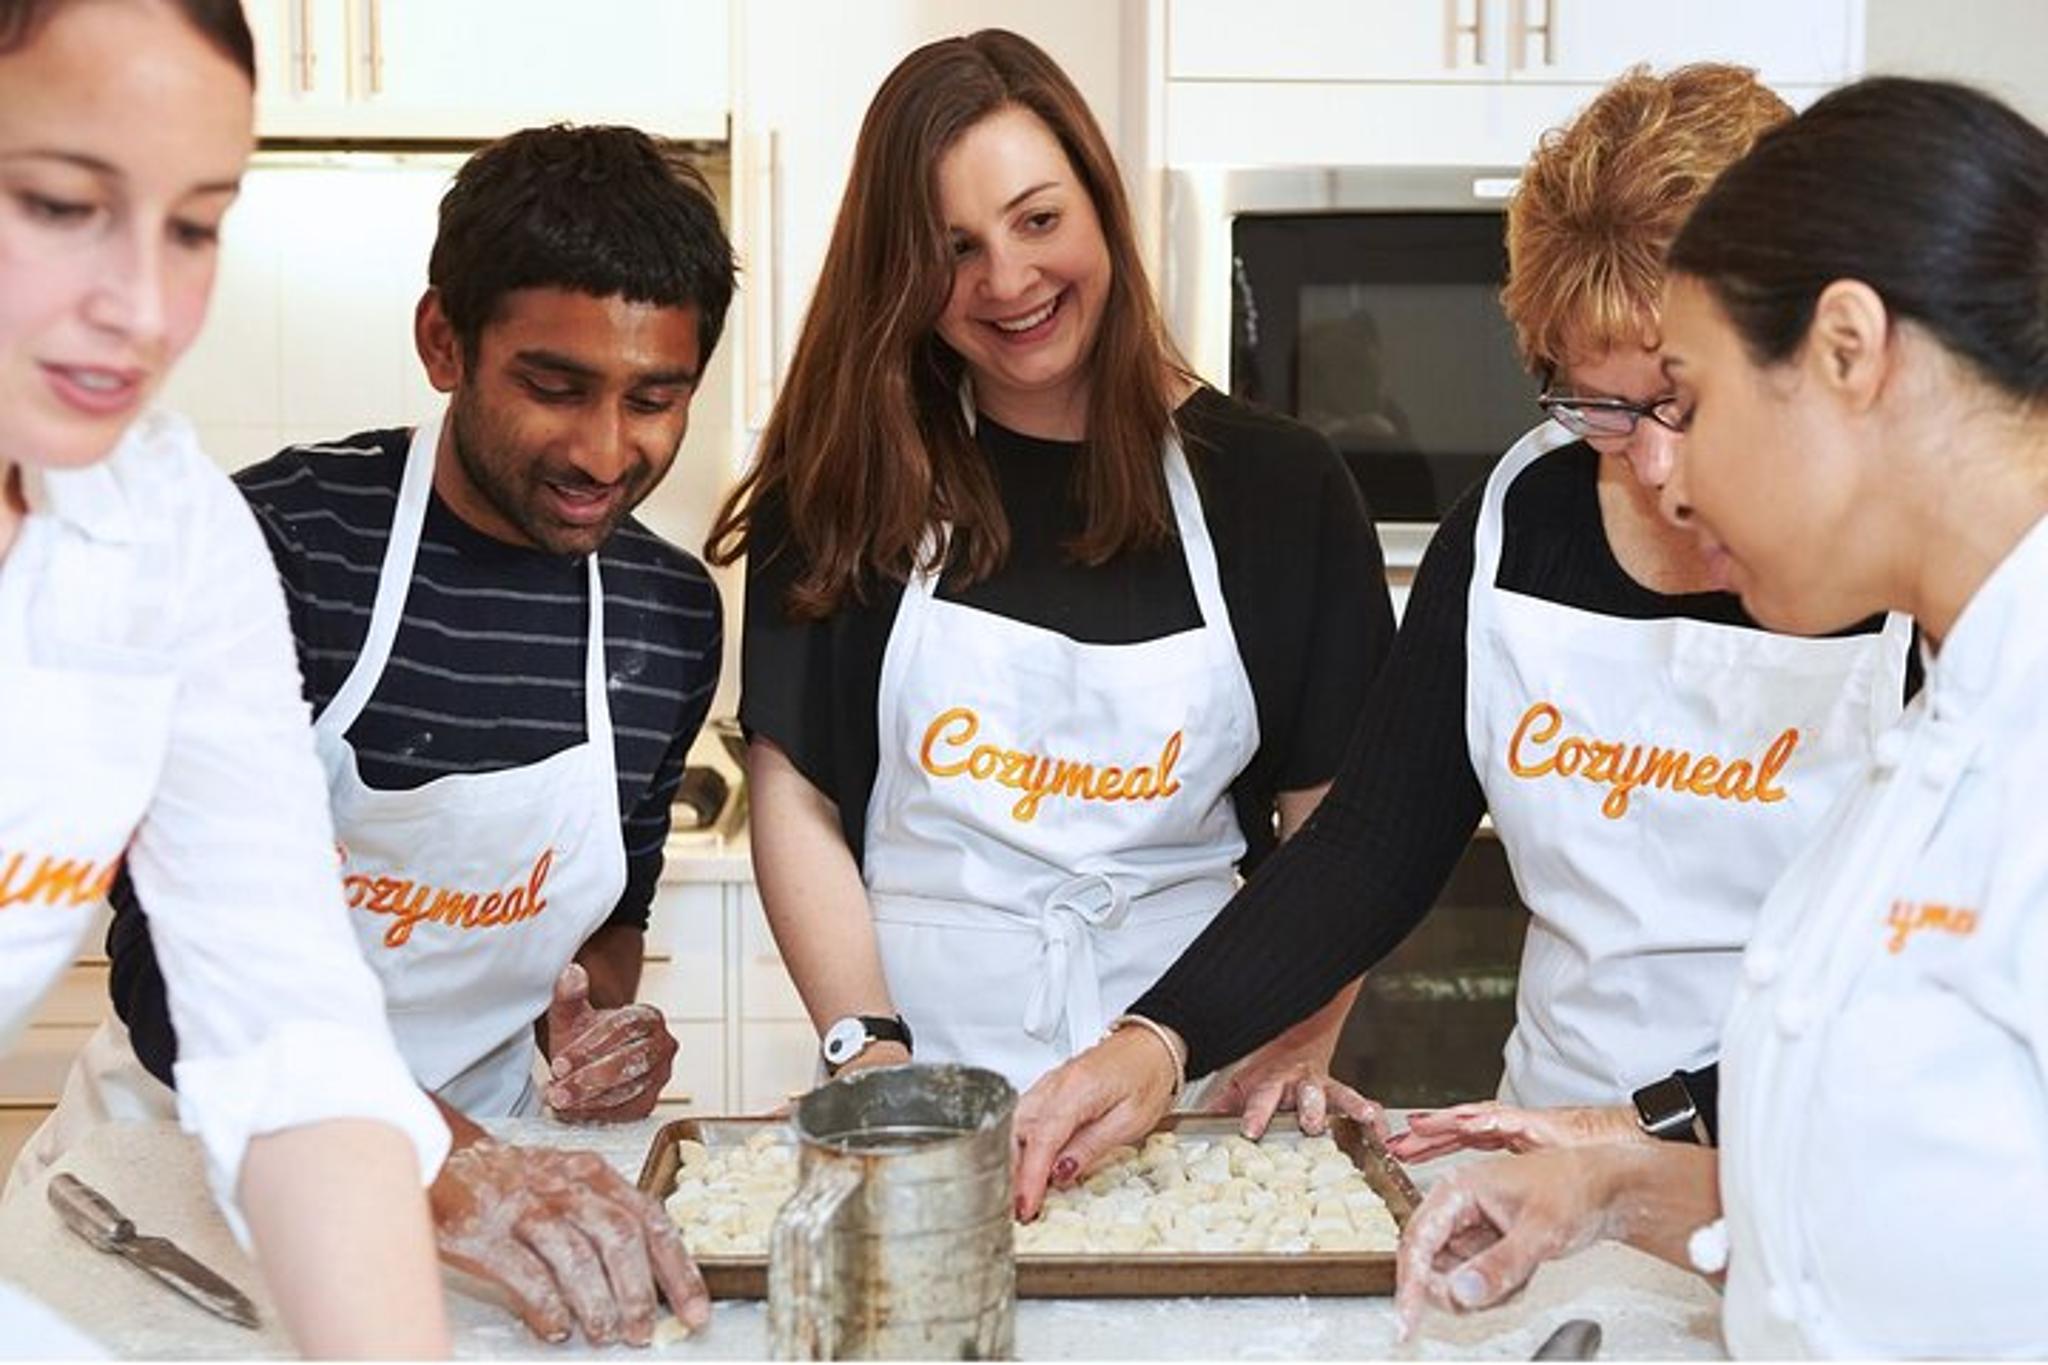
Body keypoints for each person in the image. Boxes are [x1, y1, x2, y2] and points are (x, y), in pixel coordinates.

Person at [1012, 64, 1917, 1209]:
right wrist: (1159, 1040)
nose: (1651, 466)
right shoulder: (1512, 525)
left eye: (1681, 403)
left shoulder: (1908, 572)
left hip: (1809, 1164)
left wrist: (1647, 1128)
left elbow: (1921, 991)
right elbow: (1371, 841)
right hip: (1543, 1154)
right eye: (1597, 405)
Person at [18, 123, 731, 1347]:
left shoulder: (666, 615)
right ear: (444, 343)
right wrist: (424, 1157)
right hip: (183, 1183)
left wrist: (596, 1021)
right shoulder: (279, 550)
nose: (605, 451)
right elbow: (174, 966)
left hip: (498, 1189)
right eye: (554, 387)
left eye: (653, 399)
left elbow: (614, 915)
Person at [1395, 76, 2048, 1359]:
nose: (1664, 476)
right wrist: (1611, 1186)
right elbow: (1878, 1215)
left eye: (1687, 399)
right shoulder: (1947, 718)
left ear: (1848, 354)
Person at [706, 29, 1393, 1099]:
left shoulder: (1277, 487)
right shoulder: (846, 476)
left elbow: (1334, 829)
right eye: (954, 247)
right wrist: (868, 1052)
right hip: (920, 1086)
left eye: (1037, 220)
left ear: (1099, 207)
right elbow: (796, 793)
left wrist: (1287, 1049)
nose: (1007, 280)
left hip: (1200, 1084)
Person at [0, 0, 450, 1353]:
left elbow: (290, 1034)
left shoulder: (163, 532)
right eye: (61, 202)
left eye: (194, 225)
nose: (141, 307)